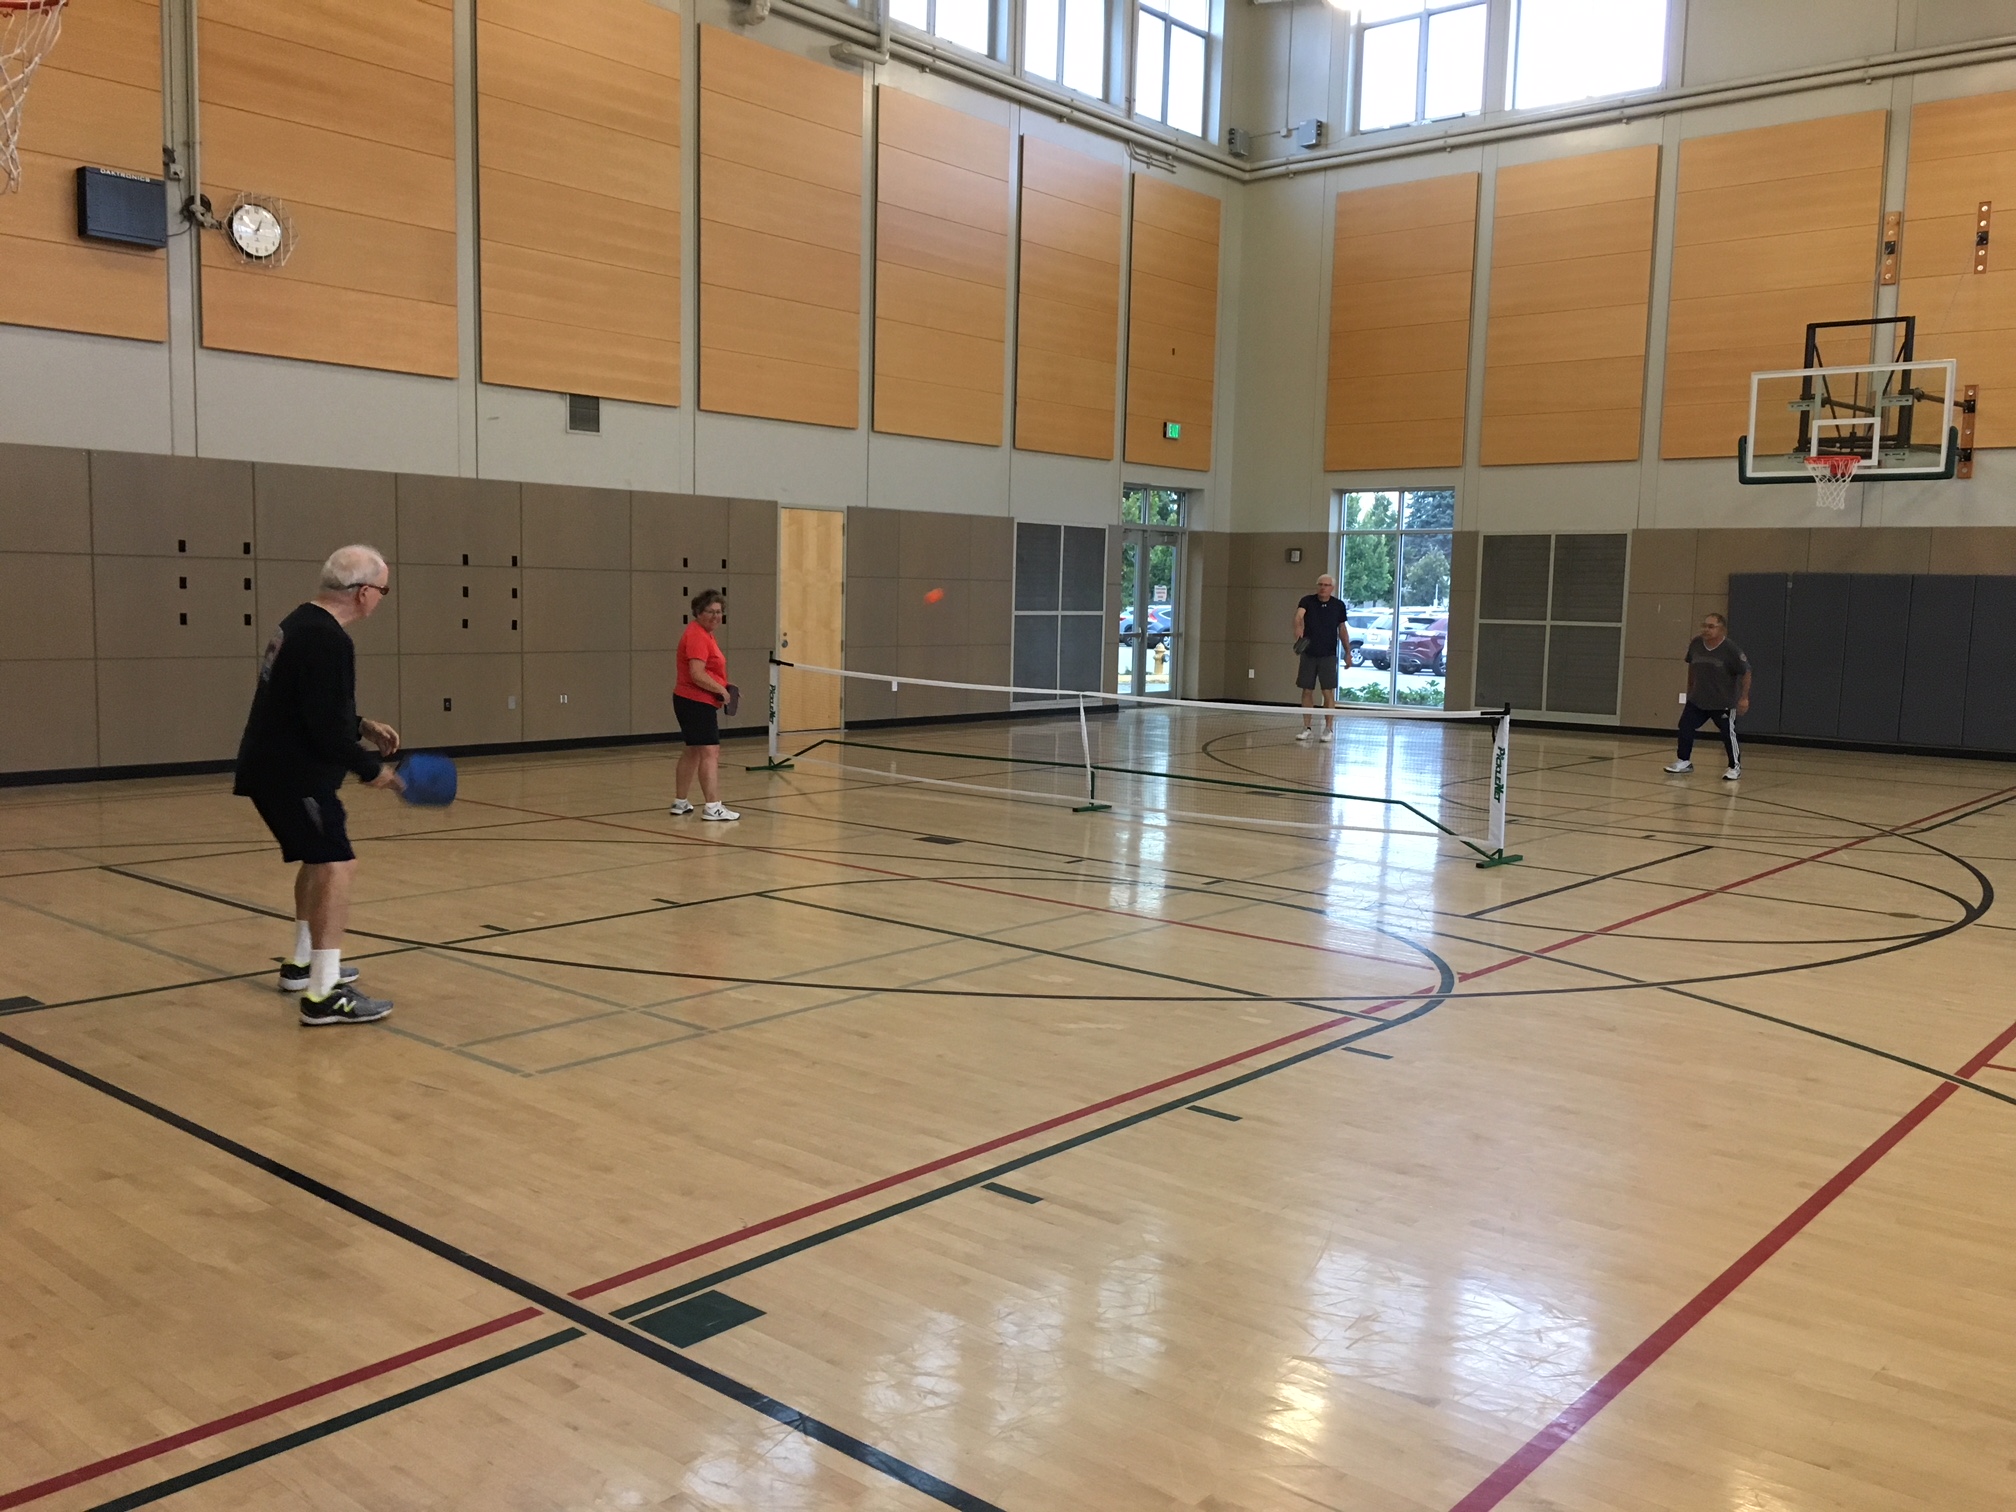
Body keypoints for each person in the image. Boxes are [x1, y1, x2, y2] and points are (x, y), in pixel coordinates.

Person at [233, 544, 402, 1026]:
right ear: (364, 592)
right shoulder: (328, 639)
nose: (381, 600)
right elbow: (323, 729)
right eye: (383, 591)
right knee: (337, 866)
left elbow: (307, 702)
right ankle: (324, 995)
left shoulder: (300, 623)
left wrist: (362, 724)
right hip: (294, 775)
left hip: (276, 769)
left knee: (320, 861)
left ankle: (302, 965)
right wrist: (374, 771)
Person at [670, 589, 739, 821]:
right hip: (695, 702)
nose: (715, 616)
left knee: (693, 750)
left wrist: (724, 684)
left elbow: (708, 670)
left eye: (719, 612)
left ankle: (680, 802)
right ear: (698, 612)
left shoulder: (705, 634)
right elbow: (697, 674)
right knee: (710, 751)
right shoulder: (697, 636)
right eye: (710, 611)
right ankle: (713, 806)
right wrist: (720, 689)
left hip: (691, 700)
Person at [1665, 611, 1750, 781]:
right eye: (1704, 626)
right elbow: (1691, 665)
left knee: (1728, 733)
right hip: (1699, 699)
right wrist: (1690, 688)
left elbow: (1746, 671)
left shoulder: (1730, 650)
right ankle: (1684, 761)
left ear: (1722, 629)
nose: (1706, 630)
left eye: (1711, 626)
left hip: (1723, 702)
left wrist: (1744, 698)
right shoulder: (1696, 644)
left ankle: (1734, 767)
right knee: (1685, 726)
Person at [1293, 574, 1349, 742]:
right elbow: (1298, 616)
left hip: (1328, 655)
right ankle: (1306, 728)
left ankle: (1329, 729)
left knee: (1327, 692)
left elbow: (1342, 629)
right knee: (1307, 690)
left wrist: (1348, 652)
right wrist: (1298, 627)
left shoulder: (1338, 606)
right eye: (1320, 584)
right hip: (1309, 654)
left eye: (1326, 585)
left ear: (1332, 588)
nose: (1323, 587)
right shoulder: (1307, 601)